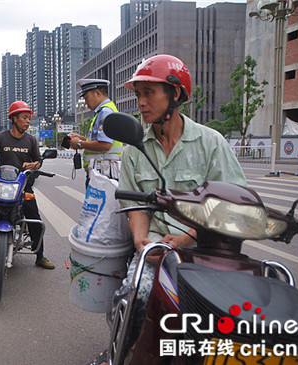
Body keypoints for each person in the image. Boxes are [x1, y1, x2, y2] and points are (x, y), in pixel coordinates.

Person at [87, 54, 247, 365]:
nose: (141, 103)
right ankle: (118, 354)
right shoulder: (136, 148)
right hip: (155, 252)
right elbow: (134, 205)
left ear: (174, 94)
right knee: (134, 297)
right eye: (138, 95)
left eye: (149, 93)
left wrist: (187, 236)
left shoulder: (211, 143)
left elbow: (233, 200)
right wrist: (141, 242)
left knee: (243, 312)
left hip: (207, 250)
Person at [0, 101, 55, 270]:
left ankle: (40, 255)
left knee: (34, 217)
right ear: (14, 118)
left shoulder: (31, 140)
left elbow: (38, 162)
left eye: (29, 118)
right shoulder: (1, 138)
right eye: (24, 117)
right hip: (1, 184)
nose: (28, 121)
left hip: (22, 186)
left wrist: (34, 166)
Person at [67, 79, 123, 188]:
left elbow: (105, 144)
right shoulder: (103, 111)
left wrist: (79, 143)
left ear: (98, 93)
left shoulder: (105, 112)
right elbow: (99, 139)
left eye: (87, 98)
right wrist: (80, 138)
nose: (86, 103)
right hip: (103, 172)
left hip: (104, 174)